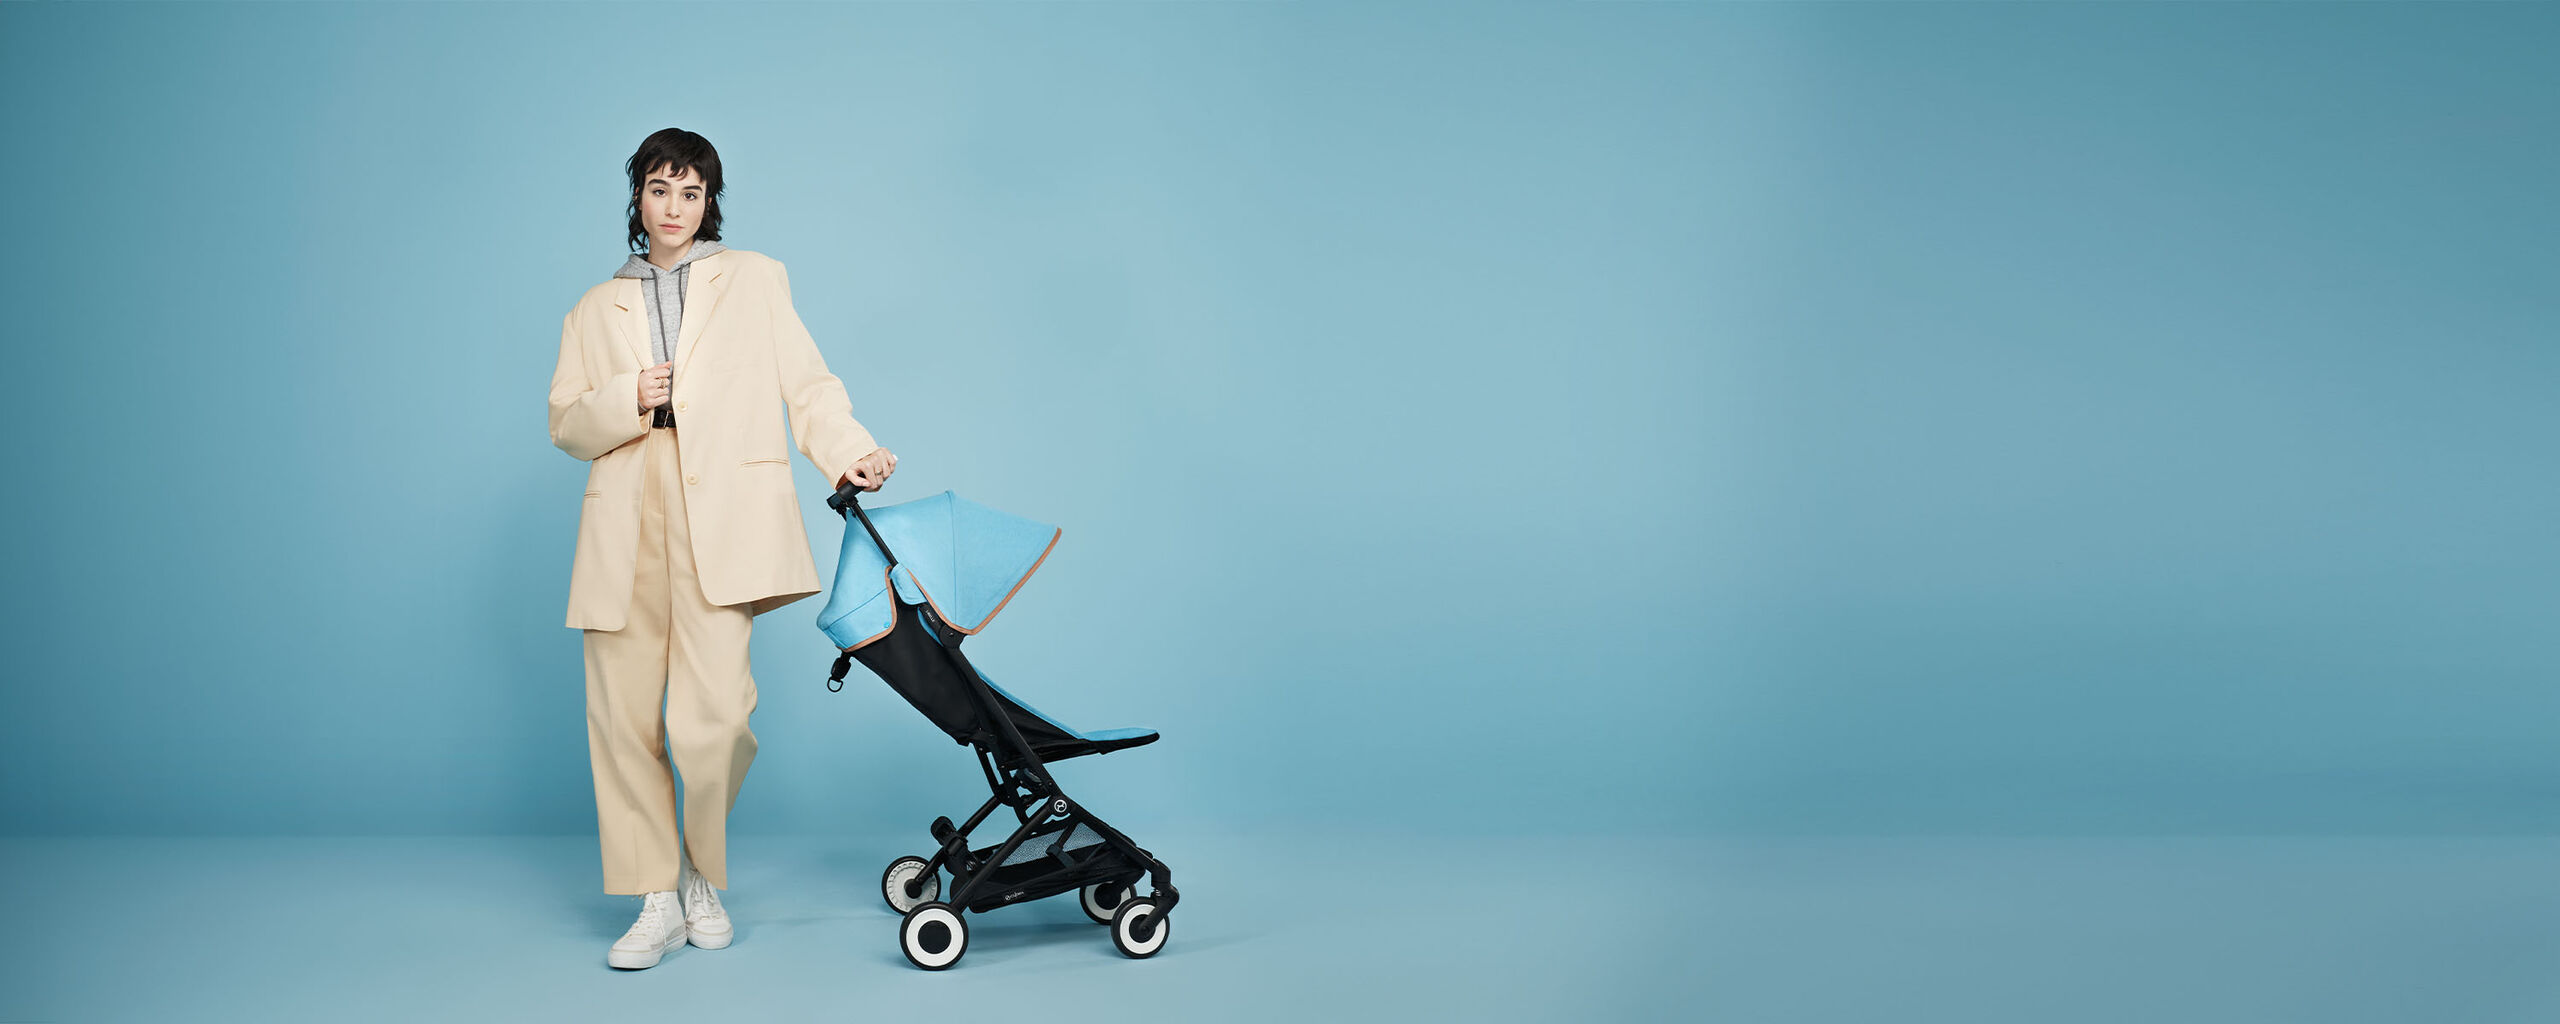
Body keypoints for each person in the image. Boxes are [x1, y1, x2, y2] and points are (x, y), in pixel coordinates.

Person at [545, 127, 897, 970]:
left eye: (691, 191)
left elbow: (805, 381)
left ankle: (700, 871)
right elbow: (566, 424)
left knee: (716, 722)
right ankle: (656, 899)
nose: (674, 207)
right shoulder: (593, 308)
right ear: (638, 197)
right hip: (627, 509)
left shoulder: (754, 278)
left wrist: (849, 450)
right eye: (659, 189)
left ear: (710, 202)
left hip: (723, 513)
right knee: (624, 719)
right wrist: (628, 396)